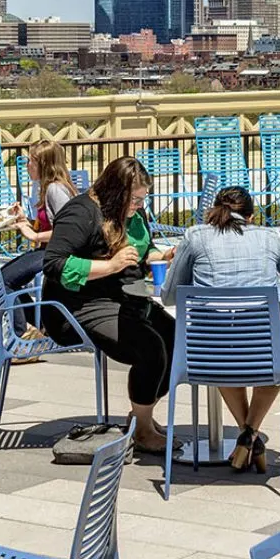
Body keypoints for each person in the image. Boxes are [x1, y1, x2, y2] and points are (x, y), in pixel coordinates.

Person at [162, 184, 280, 471]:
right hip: (266, 348)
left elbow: (169, 296)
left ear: (215, 212)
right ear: (252, 217)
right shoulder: (270, 238)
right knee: (277, 358)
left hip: (209, 353)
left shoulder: (194, 238)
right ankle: (250, 434)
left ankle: (248, 436)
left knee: (224, 343)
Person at [46, 155, 178, 453]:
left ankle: (141, 414)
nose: (140, 206)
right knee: (150, 347)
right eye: (135, 199)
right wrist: (109, 266)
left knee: (177, 339)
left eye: (143, 199)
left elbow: (142, 253)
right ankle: (142, 429)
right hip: (81, 302)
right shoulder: (81, 213)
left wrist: (161, 257)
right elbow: (53, 264)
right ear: (115, 192)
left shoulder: (133, 214)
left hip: (127, 296)